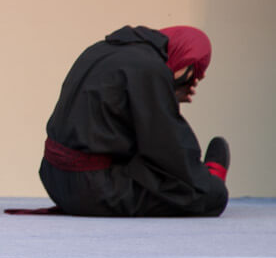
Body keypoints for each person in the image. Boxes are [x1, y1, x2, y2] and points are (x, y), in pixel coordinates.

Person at [33, 25, 228, 217]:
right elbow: (169, 152)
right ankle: (213, 175)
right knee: (210, 196)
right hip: (93, 190)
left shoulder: (99, 50)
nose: (192, 81)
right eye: (194, 72)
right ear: (187, 57)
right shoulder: (150, 68)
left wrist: (166, 94)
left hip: (54, 180)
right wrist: (205, 182)